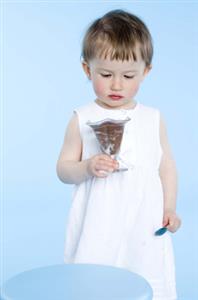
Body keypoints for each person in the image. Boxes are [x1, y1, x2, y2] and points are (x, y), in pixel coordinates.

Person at [56, 9, 181, 300]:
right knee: (93, 283)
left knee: (146, 281)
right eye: (105, 74)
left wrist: (170, 207)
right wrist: (86, 167)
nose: (116, 84)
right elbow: (63, 168)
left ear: (146, 71)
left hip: (143, 222)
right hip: (98, 223)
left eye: (128, 75)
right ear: (87, 70)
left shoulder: (152, 118)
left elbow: (167, 168)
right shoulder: (82, 118)